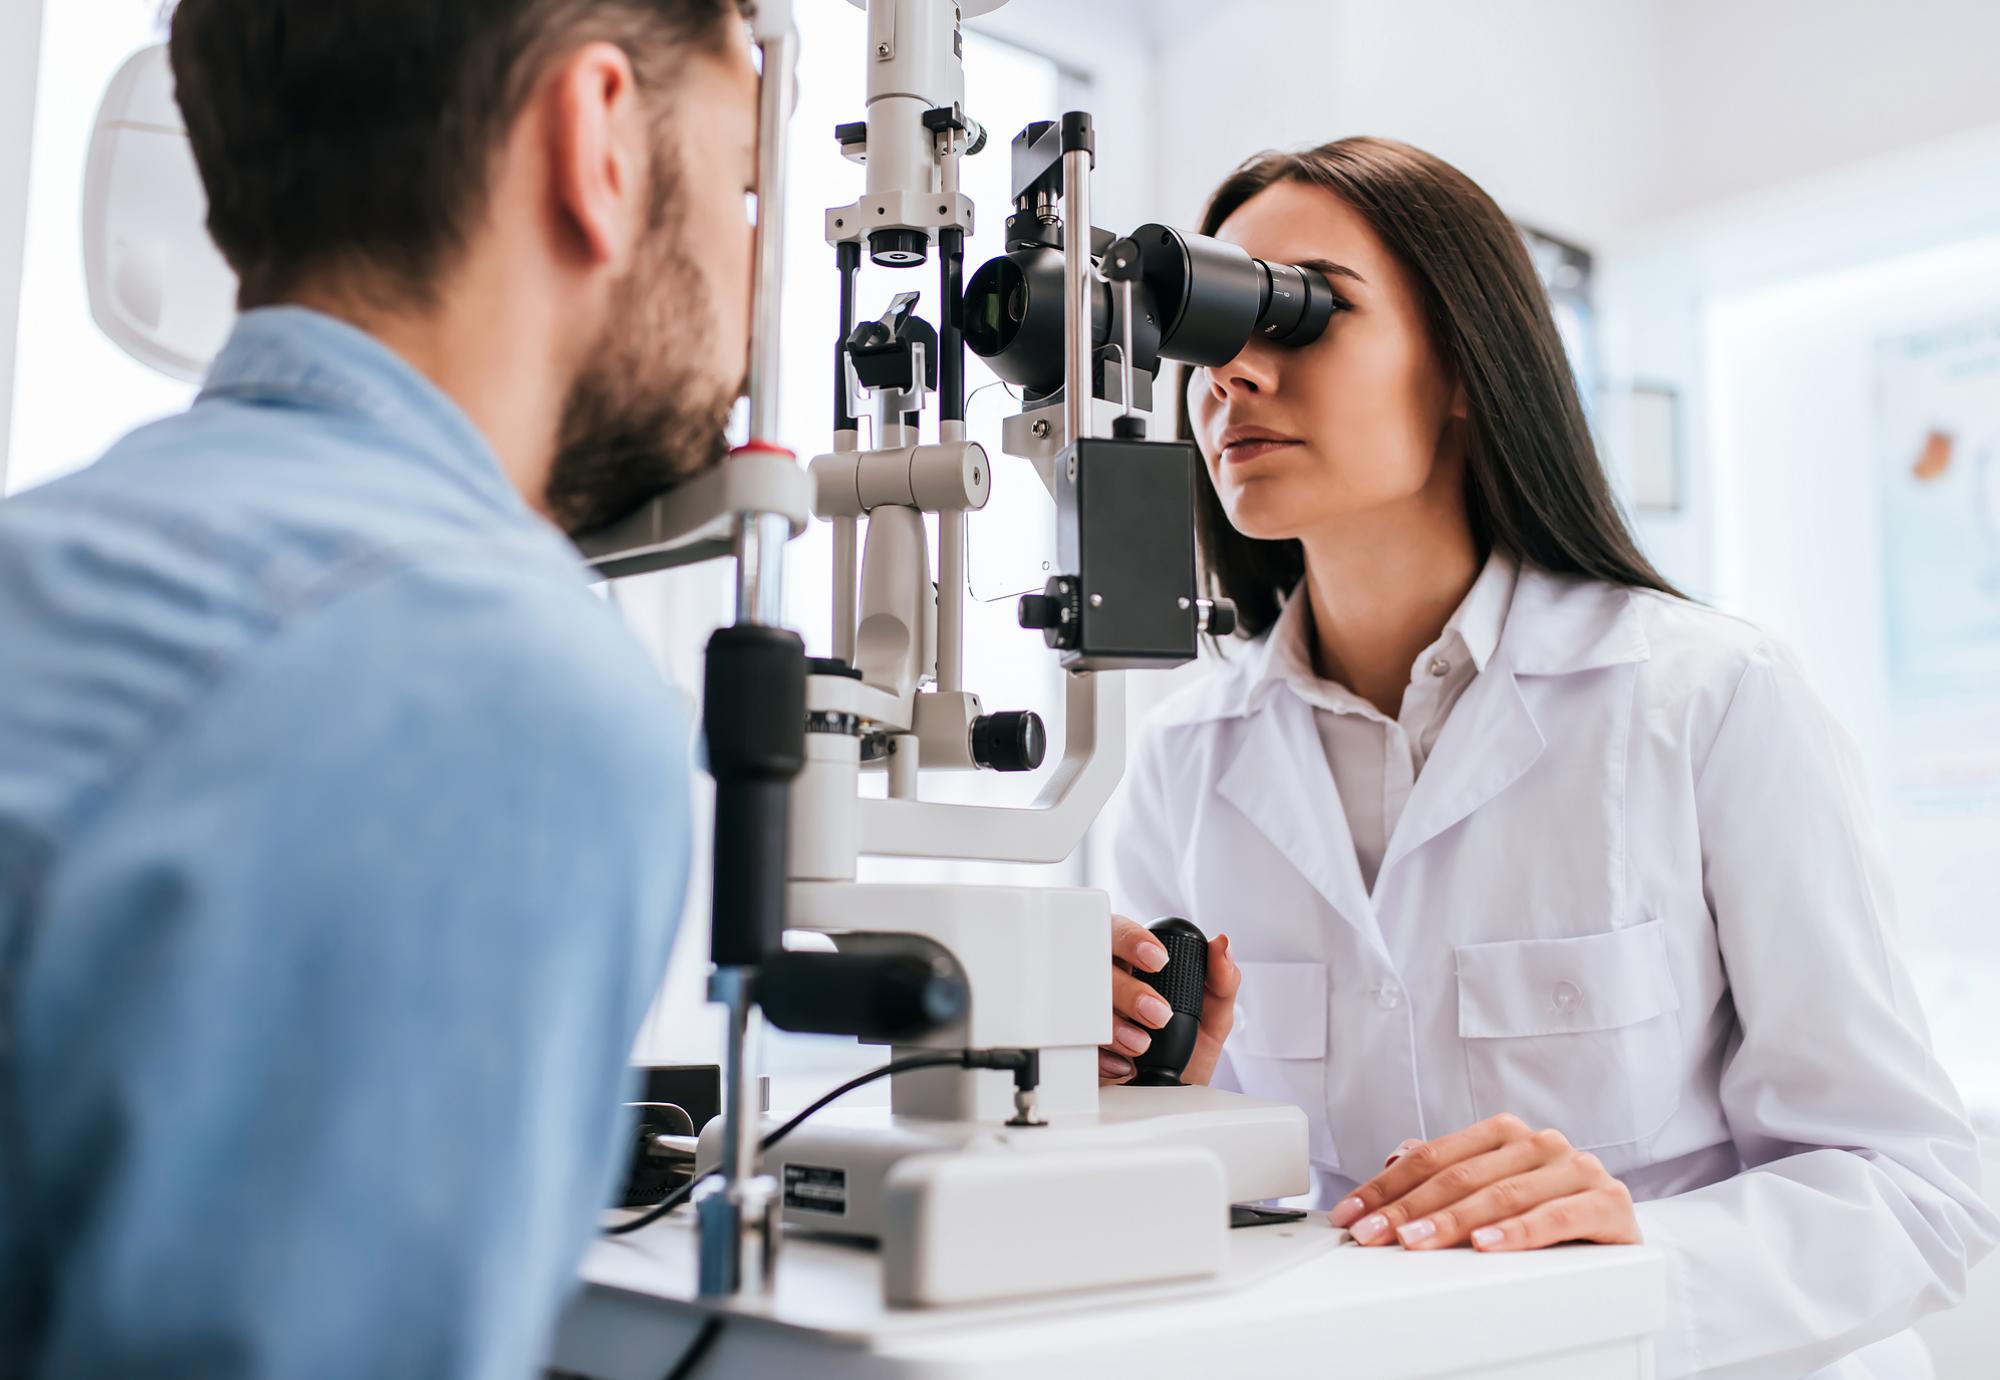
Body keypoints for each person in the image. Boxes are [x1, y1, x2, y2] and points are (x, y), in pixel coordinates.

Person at [1100, 137, 1997, 1379]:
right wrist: (1128, 1105)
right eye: (1211, 325)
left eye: (1297, 310)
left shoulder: (1707, 700)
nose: (1234, 371)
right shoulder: (1177, 759)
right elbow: (1225, 1209)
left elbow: (1913, 1188)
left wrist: (1633, 1252)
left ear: (1466, 364)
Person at [0, 2, 756, 1375]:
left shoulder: (52, 563)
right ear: (599, 140)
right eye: (745, 183)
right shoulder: (488, 677)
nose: (753, 261)